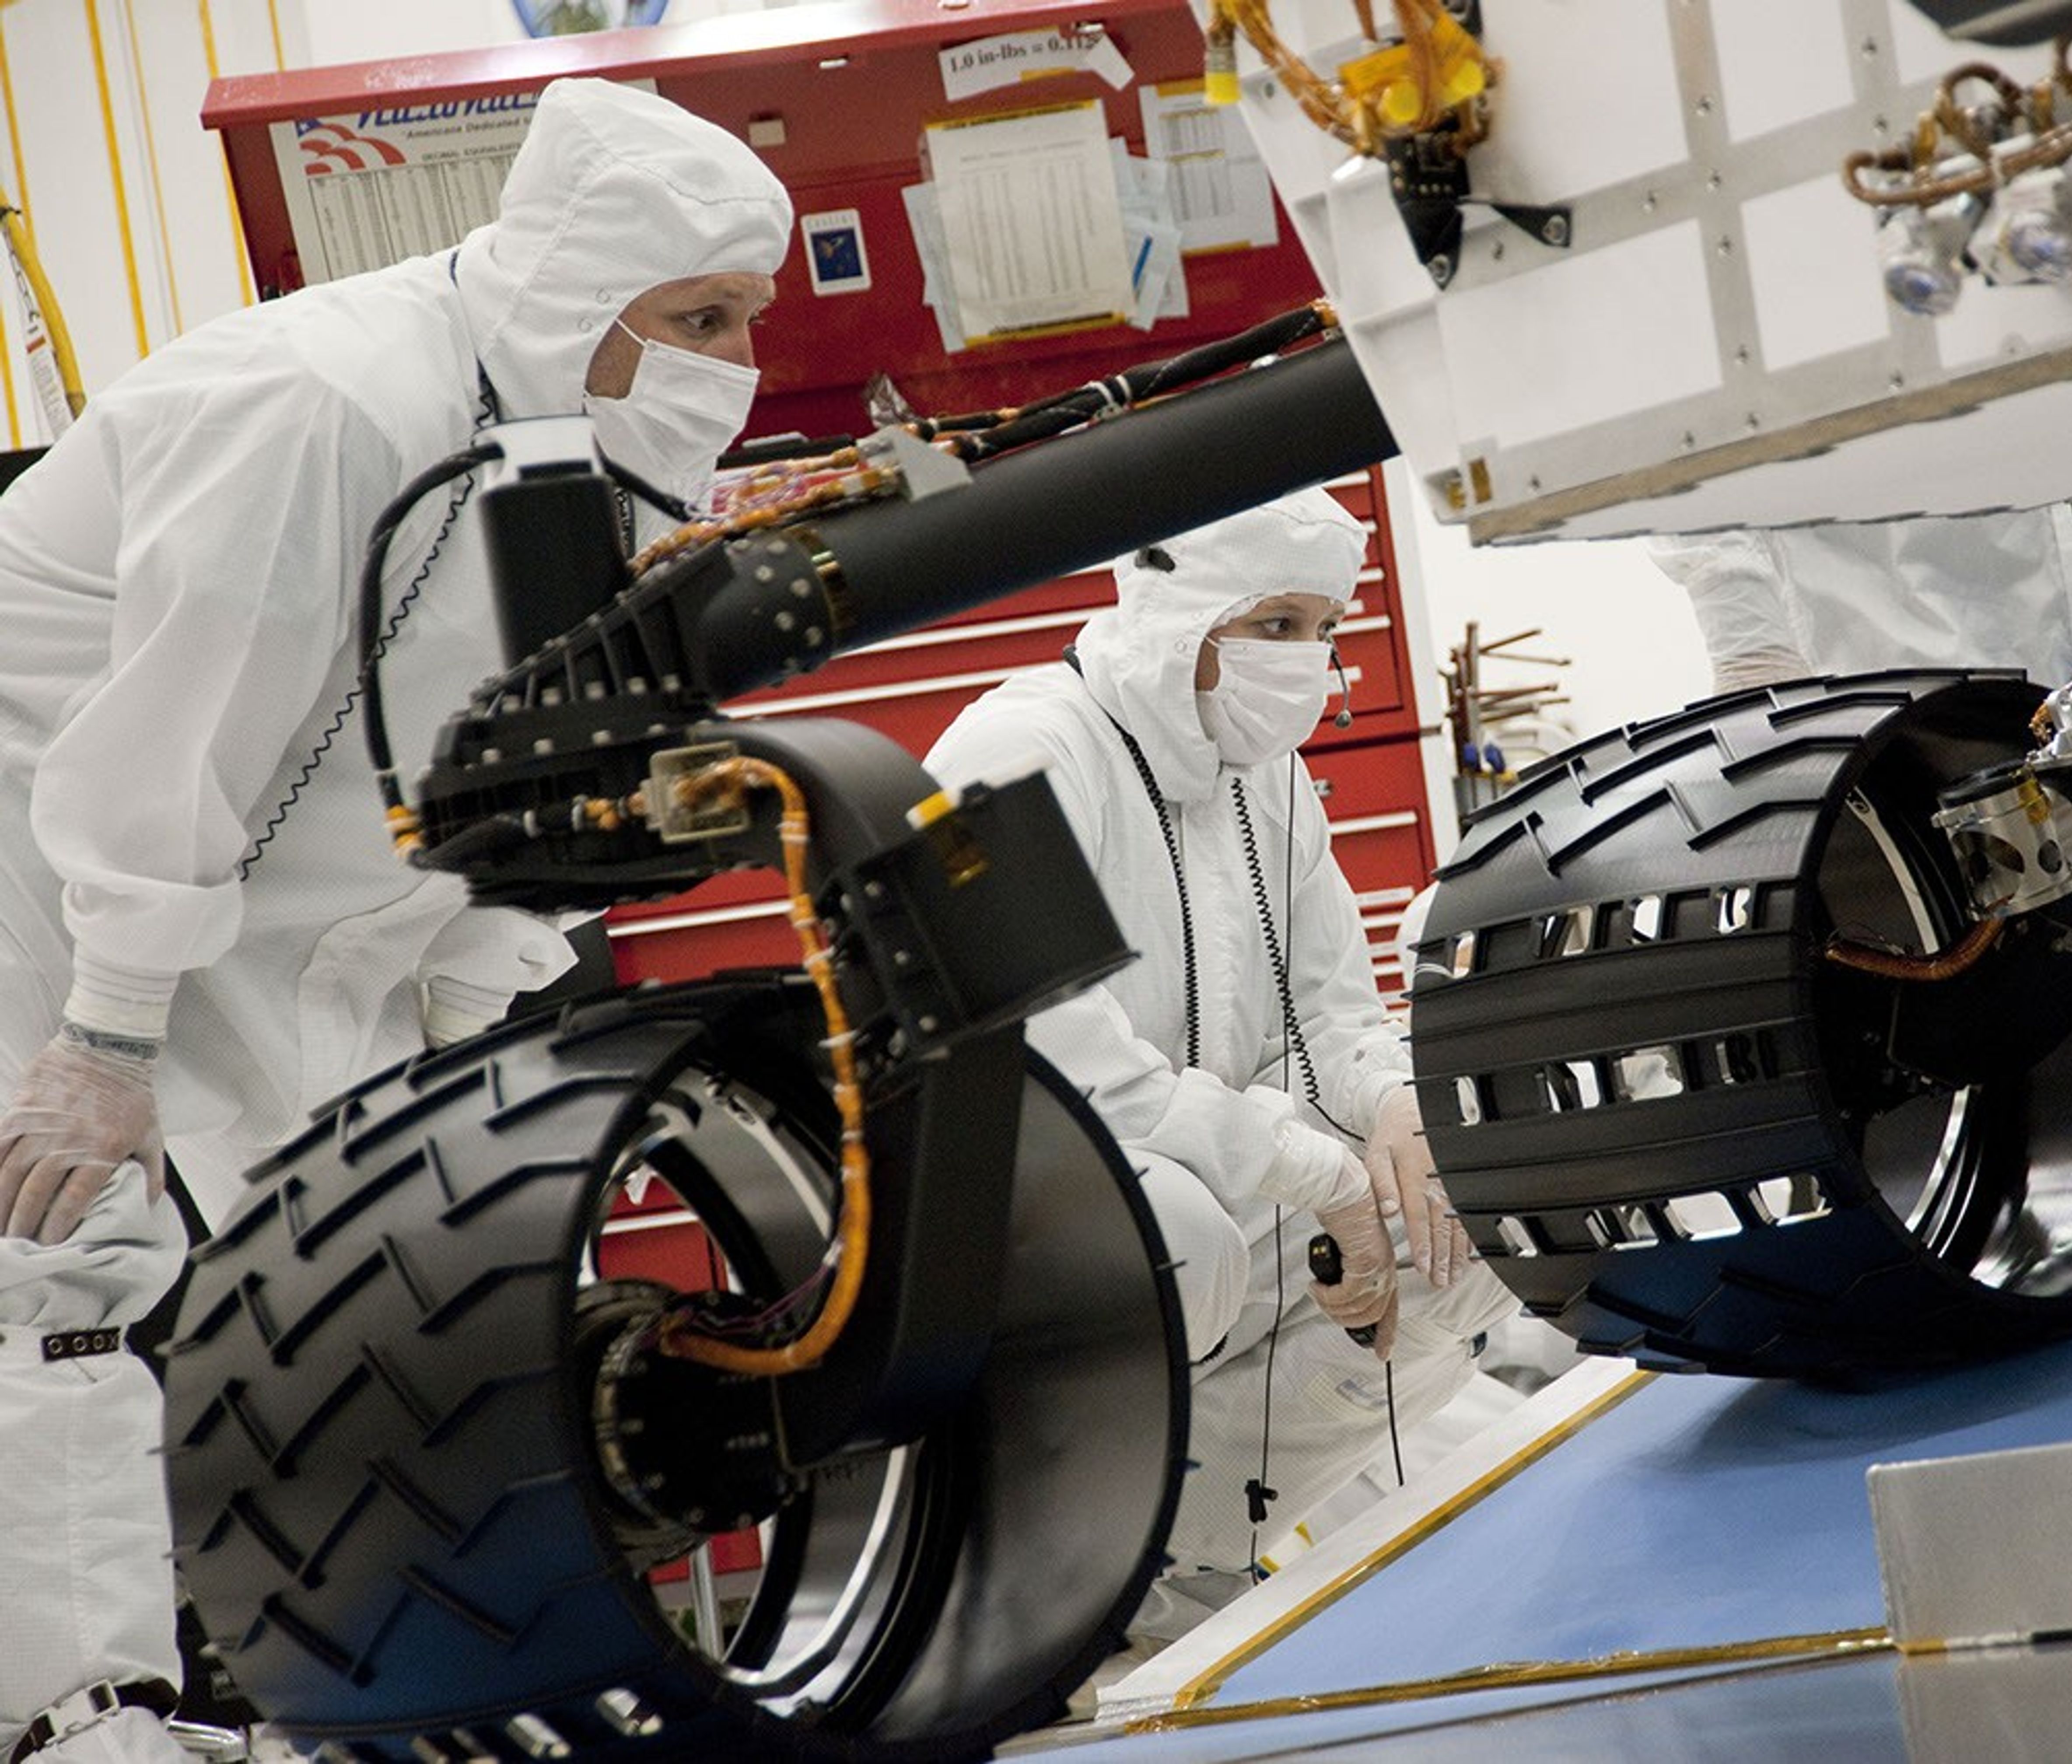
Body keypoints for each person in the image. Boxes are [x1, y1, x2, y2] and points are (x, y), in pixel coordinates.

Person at [0, 78, 790, 1762]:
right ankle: (92, 1719)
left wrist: (469, 1027)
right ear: (586, 293)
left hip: (272, 878)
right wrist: (104, 1032)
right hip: (44, 840)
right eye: (699, 317)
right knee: (65, 1253)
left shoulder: (590, 444)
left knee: (329, 1269)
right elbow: (174, 736)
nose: (737, 358)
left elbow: (501, 782)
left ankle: (321, 1688)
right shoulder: (325, 403)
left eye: (749, 318)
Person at [925, 489, 1521, 1636]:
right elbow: (1053, 1048)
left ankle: (1197, 1541)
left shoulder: (1264, 774)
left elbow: (1332, 1007)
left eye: (1324, 630)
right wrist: (1320, 1177)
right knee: (1184, 1235)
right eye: (1276, 625)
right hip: (1014, 1185)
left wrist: (1395, 1108)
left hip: (1207, 1166)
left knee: (1469, 1211)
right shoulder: (1022, 750)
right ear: (1177, 605)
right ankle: (1077, 1552)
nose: (1307, 662)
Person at [1646, 500, 2072, 1170]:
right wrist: (1743, 622)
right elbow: (1680, 399)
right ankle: (2045, 1251)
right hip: (1918, 638)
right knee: (1978, 1014)